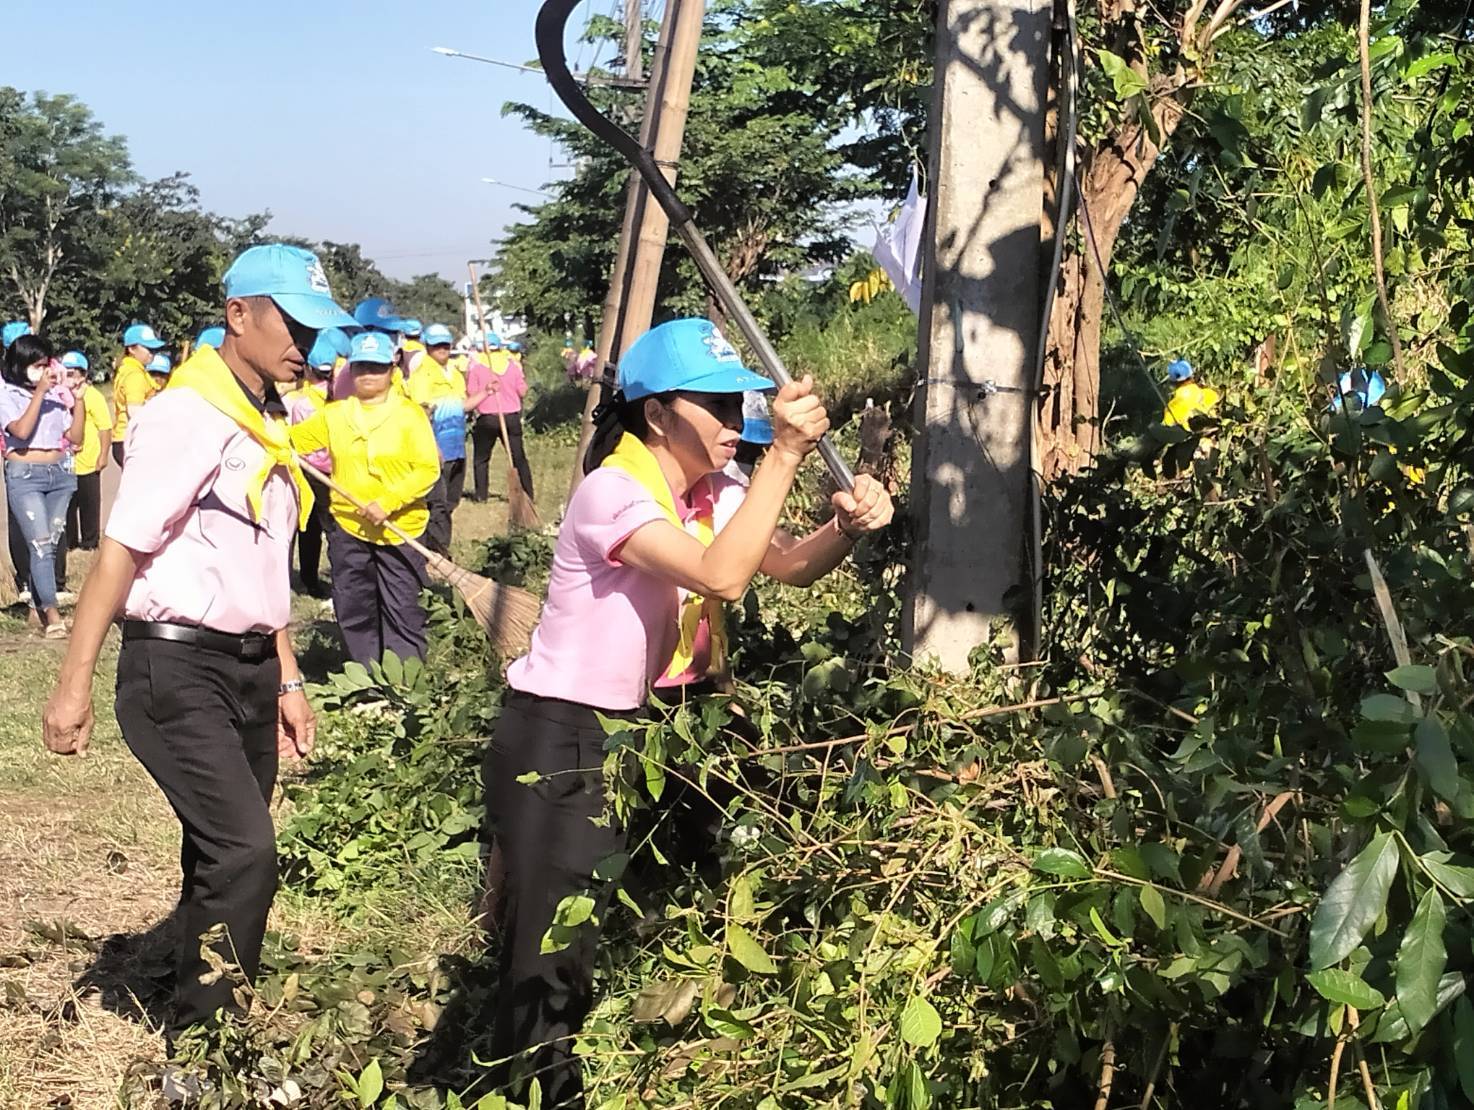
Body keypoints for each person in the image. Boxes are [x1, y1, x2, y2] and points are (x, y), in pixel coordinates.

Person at [482, 318, 893, 1104]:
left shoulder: (711, 491)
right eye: (714, 407)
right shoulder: (613, 492)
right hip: (558, 732)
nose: (734, 423)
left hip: (640, 727)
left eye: (739, 408)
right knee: (549, 952)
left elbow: (784, 566)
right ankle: (529, 1089)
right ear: (658, 413)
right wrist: (784, 456)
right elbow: (722, 577)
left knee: (628, 909)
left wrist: (844, 526)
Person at [41, 243, 351, 1048]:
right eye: (293, 324)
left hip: (248, 668)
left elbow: (261, 566)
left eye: (317, 332)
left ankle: (202, 987)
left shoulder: (267, 420)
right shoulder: (187, 414)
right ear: (238, 315)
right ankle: (204, 1043)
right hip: (176, 667)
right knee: (248, 851)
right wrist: (73, 685)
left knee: (219, 848)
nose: (306, 347)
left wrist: (287, 677)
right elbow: (120, 549)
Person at [289, 330, 440, 666]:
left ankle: (405, 678)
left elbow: (427, 469)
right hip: (349, 528)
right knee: (354, 605)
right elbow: (292, 441)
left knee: (403, 606)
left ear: (392, 369)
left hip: (400, 529)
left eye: (377, 367)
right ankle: (366, 672)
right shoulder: (335, 415)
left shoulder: (409, 415)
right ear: (351, 371)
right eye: (361, 367)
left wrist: (388, 502)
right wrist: (270, 433)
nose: (369, 375)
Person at [1, 335, 86, 636]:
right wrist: (39, 393)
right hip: (26, 472)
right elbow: (20, 430)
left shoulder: (56, 394)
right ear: (21, 365)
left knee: (50, 543)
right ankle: (52, 615)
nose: (44, 370)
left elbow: (75, 437)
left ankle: (40, 610)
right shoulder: (7, 393)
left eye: (46, 364)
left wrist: (77, 402)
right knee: (39, 544)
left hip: (60, 472)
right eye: (37, 365)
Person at [407, 323, 485, 554]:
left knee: (451, 501)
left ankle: (436, 544)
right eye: (436, 345)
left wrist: (485, 393)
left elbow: (461, 406)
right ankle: (437, 552)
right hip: (435, 448)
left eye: (445, 345)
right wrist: (432, 446)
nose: (442, 349)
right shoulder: (422, 375)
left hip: (456, 446)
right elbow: (422, 413)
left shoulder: (453, 374)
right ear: (427, 346)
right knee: (437, 503)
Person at [283, 331, 343, 598]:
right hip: (336, 471)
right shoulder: (340, 398)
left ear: (308, 368)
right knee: (334, 528)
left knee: (308, 529)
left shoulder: (301, 403)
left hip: (309, 473)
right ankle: (336, 580)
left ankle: (309, 579)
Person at [59, 350, 112, 582]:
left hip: (89, 460)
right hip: (66, 461)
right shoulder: (59, 396)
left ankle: (90, 542)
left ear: (83, 375)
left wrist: (103, 455)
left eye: (72, 373)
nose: (68, 378)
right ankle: (70, 542)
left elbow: (105, 428)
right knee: (67, 505)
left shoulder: (93, 396)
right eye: (65, 373)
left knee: (90, 502)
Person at [466, 333, 533, 503]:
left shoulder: (476, 367)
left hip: (487, 417)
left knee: (481, 458)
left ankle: (481, 495)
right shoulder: (512, 366)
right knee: (519, 457)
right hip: (511, 416)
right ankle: (528, 493)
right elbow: (523, 391)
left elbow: (471, 393)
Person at [111, 323, 167, 467]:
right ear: (131, 349)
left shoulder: (130, 370)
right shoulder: (134, 375)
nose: (152, 353)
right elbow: (134, 412)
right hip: (131, 440)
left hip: (125, 440)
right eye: (148, 348)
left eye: (154, 349)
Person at [1161, 359, 1219, 428]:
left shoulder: (1170, 408)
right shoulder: (1211, 395)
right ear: (1191, 377)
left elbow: (1166, 423)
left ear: (1173, 383)